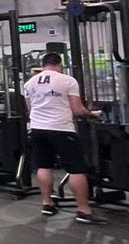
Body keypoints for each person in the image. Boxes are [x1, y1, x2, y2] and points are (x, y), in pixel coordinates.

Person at [22, 52, 108, 225]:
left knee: (43, 166)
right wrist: (92, 114)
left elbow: (30, 109)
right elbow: (77, 109)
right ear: (59, 65)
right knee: (77, 169)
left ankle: (47, 203)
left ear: (43, 65)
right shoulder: (68, 80)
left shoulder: (29, 83)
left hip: (38, 128)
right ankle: (83, 210)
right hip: (61, 129)